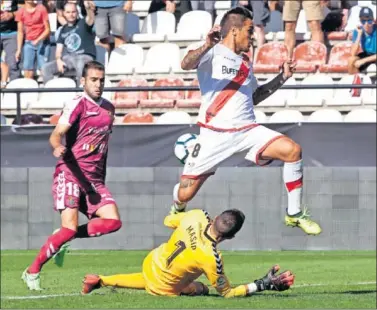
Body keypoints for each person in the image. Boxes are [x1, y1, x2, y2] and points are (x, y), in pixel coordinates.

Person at [170, 6, 322, 236]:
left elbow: (254, 97)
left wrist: (282, 78)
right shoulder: (212, 52)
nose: (252, 37)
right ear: (234, 31)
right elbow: (186, 64)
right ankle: (177, 210)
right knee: (185, 194)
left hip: (247, 131)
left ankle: (294, 213)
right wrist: (207, 44)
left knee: (292, 150)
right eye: (249, 31)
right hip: (214, 134)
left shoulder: (244, 62)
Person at [22, 61, 122, 291]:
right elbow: (56, 134)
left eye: (102, 80)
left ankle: (66, 237)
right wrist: (57, 147)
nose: (98, 85)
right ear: (83, 81)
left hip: (94, 180)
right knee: (68, 228)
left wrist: (100, 179)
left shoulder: (109, 108)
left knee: (113, 222)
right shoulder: (77, 105)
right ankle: (32, 271)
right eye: (94, 80)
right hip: (70, 174)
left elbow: (103, 147)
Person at [82, 209, 295, 297]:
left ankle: (101, 280)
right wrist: (261, 284)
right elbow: (227, 293)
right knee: (201, 289)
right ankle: (102, 281)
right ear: (231, 237)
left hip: (152, 261)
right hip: (164, 286)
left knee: (153, 276)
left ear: (214, 218)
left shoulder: (197, 215)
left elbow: (168, 220)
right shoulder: (211, 257)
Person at [41, 1, 96, 85]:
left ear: (77, 12)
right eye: (68, 12)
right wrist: (58, 60)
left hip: (85, 56)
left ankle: (80, 93)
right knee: (45, 68)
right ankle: (51, 92)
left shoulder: (83, 22)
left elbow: (91, 18)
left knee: (80, 63)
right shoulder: (62, 30)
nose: (71, 14)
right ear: (64, 13)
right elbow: (58, 50)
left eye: (73, 12)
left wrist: (88, 9)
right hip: (70, 58)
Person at [15, 0, 50, 79]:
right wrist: (19, 49)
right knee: (27, 70)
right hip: (29, 42)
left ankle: (46, 89)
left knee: (43, 69)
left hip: (42, 42)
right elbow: (20, 32)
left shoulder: (41, 8)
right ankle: (29, 90)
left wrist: (38, 39)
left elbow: (47, 29)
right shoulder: (20, 12)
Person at [348, 6, 376, 74]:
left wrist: (363, 60)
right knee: (351, 60)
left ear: (373, 20)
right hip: (367, 54)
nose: (366, 24)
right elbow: (352, 53)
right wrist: (359, 35)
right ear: (360, 21)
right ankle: (356, 81)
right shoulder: (358, 31)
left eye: (369, 21)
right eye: (363, 21)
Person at [0, 0, 20, 82]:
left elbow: (25, 8)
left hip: (11, 33)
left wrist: (12, 14)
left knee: (13, 65)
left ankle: (14, 91)